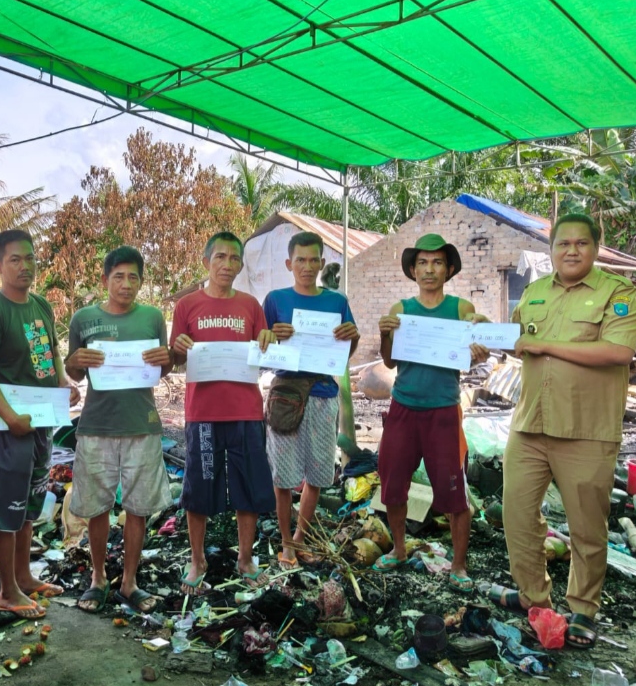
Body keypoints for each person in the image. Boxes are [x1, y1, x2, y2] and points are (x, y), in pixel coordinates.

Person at [493, 213, 636, 648]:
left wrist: (543, 345)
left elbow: (618, 351)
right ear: (551, 249)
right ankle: (533, 598)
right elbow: (515, 337)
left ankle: (582, 609)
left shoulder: (617, 293)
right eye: (563, 244)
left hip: (586, 429)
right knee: (517, 516)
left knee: (586, 528)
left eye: (581, 243)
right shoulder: (535, 292)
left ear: (595, 248)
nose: (571, 251)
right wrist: (482, 336)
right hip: (530, 424)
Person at [0, 230, 80, 619]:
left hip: (42, 422)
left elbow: (51, 354)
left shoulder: (42, 307)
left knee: (30, 505)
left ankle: (25, 577)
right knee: (6, 509)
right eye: (15, 260)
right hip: (6, 428)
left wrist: (63, 386)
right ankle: (7, 590)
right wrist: (9, 416)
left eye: (30, 258)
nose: (25, 266)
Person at [373, 234, 489, 591]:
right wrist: (384, 334)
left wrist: (482, 332)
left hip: (443, 411)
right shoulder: (401, 310)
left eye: (437, 262)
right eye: (422, 262)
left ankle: (458, 565)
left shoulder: (458, 309)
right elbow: (390, 360)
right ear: (413, 269)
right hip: (404, 407)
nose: (429, 269)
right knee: (392, 484)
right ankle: (398, 548)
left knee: (454, 491)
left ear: (448, 269)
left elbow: (478, 323)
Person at [65, 246, 173, 613]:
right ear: (105, 280)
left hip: (141, 425)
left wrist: (167, 360)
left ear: (142, 281)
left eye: (134, 278)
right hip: (96, 425)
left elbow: (161, 370)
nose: (126, 285)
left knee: (138, 508)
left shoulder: (153, 318)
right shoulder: (83, 319)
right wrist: (74, 361)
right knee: (97, 507)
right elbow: (76, 373)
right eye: (119, 277)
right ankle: (97, 578)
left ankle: (129, 582)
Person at [170, 231, 277, 592]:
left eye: (234, 258)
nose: (227, 265)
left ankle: (245, 558)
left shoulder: (250, 306)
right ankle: (197, 559)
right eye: (220, 257)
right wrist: (179, 347)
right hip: (202, 412)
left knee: (248, 485)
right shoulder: (186, 306)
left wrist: (269, 340)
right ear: (206, 262)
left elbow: (265, 350)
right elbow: (174, 358)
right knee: (199, 487)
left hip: (246, 411)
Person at [262, 232, 358, 569]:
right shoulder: (275, 300)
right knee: (283, 476)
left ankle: (301, 538)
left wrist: (353, 337)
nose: (306, 266)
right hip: (287, 393)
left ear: (321, 262)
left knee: (318, 473)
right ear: (289, 264)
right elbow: (261, 349)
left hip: (324, 394)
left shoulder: (337, 302)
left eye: (312, 259)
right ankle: (286, 543)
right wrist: (272, 337)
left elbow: (346, 351)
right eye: (299, 260)